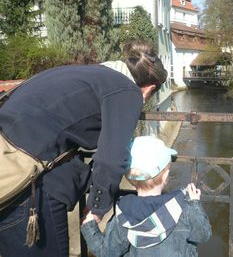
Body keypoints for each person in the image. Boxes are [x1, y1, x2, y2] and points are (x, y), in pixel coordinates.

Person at [0, 41, 167, 257]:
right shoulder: (127, 90)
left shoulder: (85, 73)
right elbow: (112, 157)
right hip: (29, 189)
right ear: (149, 89)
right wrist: (97, 207)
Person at [81, 135, 212, 257]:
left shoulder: (124, 215)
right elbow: (203, 234)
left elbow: (107, 252)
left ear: (130, 177)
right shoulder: (182, 207)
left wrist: (89, 226)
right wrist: (194, 203)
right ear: (165, 177)